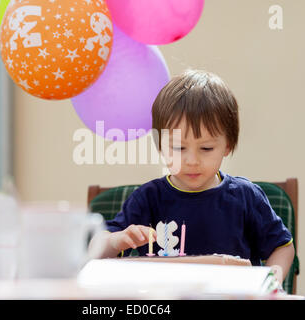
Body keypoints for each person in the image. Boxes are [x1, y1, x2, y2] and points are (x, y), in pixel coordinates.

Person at [89, 69, 294, 283]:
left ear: (228, 145)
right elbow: (96, 250)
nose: (192, 160)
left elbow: (283, 248)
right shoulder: (148, 198)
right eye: (178, 148)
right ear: (161, 146)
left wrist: (270, 284)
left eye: (206, 148)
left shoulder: (246, 197)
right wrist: (117, 241)